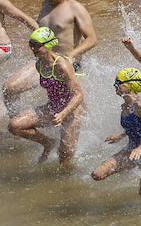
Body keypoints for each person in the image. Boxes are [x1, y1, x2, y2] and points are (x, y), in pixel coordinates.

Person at [8, 27, 85, 167]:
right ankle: (48, 143)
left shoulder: (62, 65)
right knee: (15, 125)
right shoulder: (39, 64)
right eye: (30, 44)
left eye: (37, 45)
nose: (32, 48)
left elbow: (79, 94)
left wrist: (63, 113)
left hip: (71, 113)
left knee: (64, 162)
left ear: (48, 44)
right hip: (52, 108)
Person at [90, 69, 141, 200]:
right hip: (132, 150)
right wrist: (120, 136)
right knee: (97, 174)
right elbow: (137, 126)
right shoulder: (125, 105)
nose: (115, 85)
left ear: (129, 85)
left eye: (118, 82)